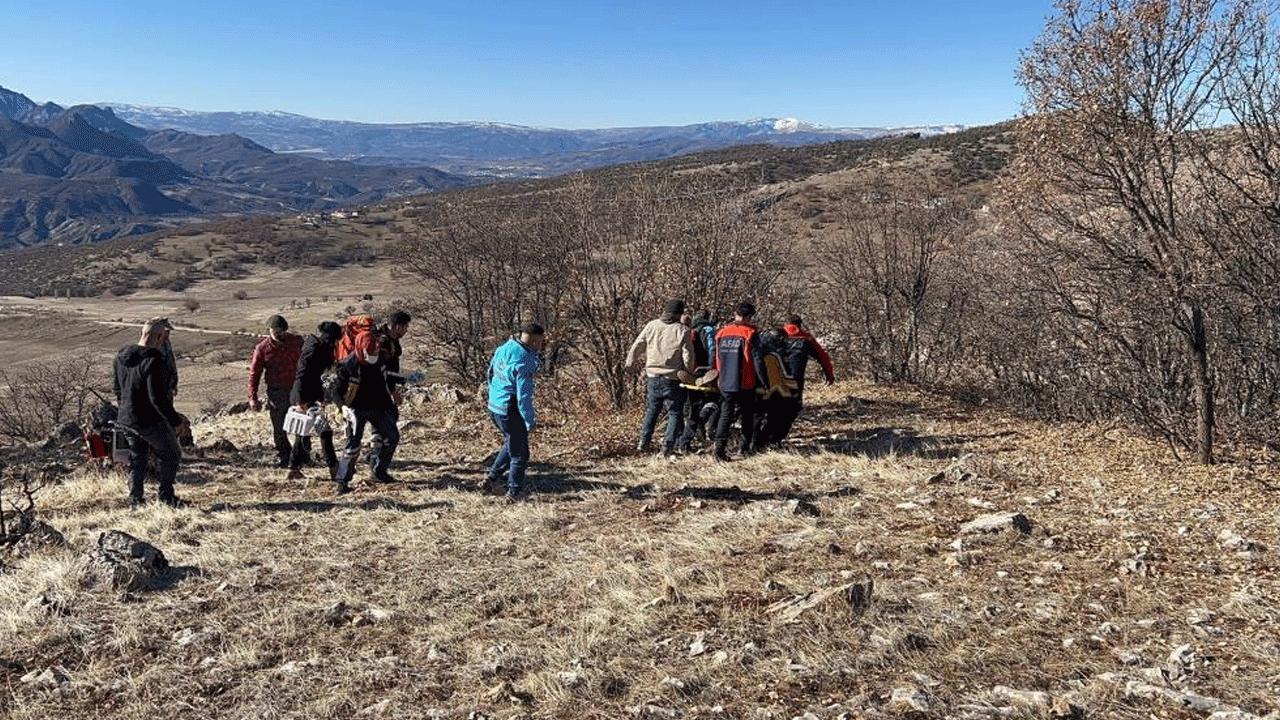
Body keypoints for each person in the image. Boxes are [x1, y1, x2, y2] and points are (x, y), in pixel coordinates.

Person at [112, 317, 189, 507]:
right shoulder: (156, 362)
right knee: (171, 454)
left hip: (126, 418)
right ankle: (166, 497)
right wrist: (175, 422)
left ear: (141, 333)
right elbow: (158, 400)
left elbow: (117, 390)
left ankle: (135, 499)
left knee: (138, 457)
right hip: (148, 420)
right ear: (161, 337)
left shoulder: (120, 357)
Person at [483, 323, 544, 502]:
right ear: (534, 340)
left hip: (494, 404)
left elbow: (490, 372)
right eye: (540, 341)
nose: (541, 345)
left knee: (512, 441)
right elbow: (523, 396)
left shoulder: (505, 347)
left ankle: (491, 479)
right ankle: (514, 492)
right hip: (509, 408)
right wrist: (529, 420)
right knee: (520, 453)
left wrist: (494, 393)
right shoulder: (525, 360)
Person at [625, 299, 696, 455]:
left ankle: (643, 443)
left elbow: (638, 344)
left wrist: (629, 364)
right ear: (679, 314)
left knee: (652, 410)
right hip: (672, 377)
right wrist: (689, 372)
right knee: (675, 412)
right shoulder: (682, 330)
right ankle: (667, 447)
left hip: (652, 375)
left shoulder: (652, 325)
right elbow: (688, 355)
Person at [333, 331, 400, 490]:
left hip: (378, 405)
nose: (372, 357)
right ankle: (342, 481)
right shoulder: (348, 365)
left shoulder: (381, 359)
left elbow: (386, 380)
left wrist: (392, 396)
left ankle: (379, 471)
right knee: (353, 444)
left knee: (392, 436)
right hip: (355, 408)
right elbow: (335, 391)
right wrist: (342, 407)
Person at [761, 314, 835, 446]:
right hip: (795, 380)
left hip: (772, 378)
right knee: (793, 408)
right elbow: (823, 356)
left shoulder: (773, 336)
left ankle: (764, 437)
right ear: (800, 324)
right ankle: (775, 438)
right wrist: (829, 375)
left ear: (785, 324)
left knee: (773, 408)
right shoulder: (806, 338)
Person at [289, 321, 344, 486]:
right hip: (304, 396)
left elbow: (319, 375)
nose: (336, 343)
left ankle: (294, 468)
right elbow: (301, 374)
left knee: (305, 432)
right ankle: (333, 468)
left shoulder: (322, 347)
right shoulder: (312, 349)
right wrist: (300, 400)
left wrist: (320, 398)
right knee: (323, 432)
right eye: (335, 339)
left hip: (313, 395)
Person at [247, 314, 305, 469]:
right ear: (269, 330)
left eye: (283, 331)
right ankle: (285, 456)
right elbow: (254, 374)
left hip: (297, 390)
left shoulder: (297, 342)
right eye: (277, 331)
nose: (280, 334)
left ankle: (303, 455)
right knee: (279, 428)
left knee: (303, 424)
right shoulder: (262, 349)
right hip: (276, 392)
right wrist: (253, 397)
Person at [712, 302, 765, 461]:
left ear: (735, 313)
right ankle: (743, 448)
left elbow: (715, 357)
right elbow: (758, 361)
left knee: (726, 415)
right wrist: (764, 382)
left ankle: (719, 449)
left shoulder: (721, 333)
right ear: (748, 316)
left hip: (725, 380)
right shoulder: (750, 333)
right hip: (745, 381)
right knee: (747, 415)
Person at [369, 310, 411, 472]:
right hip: (379, 392)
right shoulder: (384, 343)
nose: (406, 331)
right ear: (397, 327)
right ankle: (376, 467)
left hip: (381, 391)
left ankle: (375, 462)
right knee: (386, 432)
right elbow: (381, 372)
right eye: (405, 327)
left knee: (387, 427)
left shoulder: (388, 340)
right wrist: (393, 391)